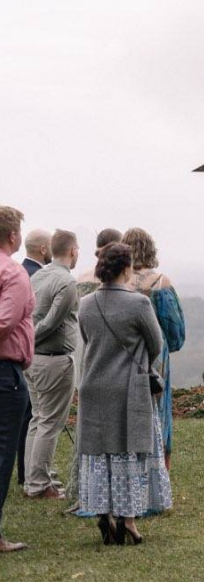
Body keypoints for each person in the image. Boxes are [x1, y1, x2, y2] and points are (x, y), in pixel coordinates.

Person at [78, 242, 171, 545]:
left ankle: (103, 511)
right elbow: (155, 343)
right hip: (129, 386)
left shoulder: (87, 303)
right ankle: (127, 520)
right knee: (129, 453)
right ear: (127, 268)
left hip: (93, 385)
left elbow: (87, 339)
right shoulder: (138, 304)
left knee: (100, 453)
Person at [65, 228, 124, 511]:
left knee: (90, 429)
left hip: (88, 354)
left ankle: (84, 489)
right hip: (118, 363)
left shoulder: (82, 280)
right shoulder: (124, 285)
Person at [122, 227, 185, 470]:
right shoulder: (160, 282)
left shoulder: (119, 282)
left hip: (124, 355)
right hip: (156, 356)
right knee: (158, 409)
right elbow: (174, 329)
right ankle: (158, 469)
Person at [24, 230, 80, 499]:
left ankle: (33, 478)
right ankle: (39, 484)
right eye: (78, 249)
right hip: (54, 360)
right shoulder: (67, 282)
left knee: (38, 419)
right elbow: (51, 321)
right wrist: (31, 338)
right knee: (50, 423)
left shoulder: (39, 275)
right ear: (72, 251)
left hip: (33, 360)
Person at [0, 206, 34, 554]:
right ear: (13, 236)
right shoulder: (13, 272)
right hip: (4, 372)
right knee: (2, 452)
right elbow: (5, 321)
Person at [16, 229, 51, 488]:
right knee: (32, 415)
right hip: (33, 353)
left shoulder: (20, 271)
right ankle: (28, 472)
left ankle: (26, 470)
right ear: (42, 249)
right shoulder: (36, 276)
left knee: (30, 414)